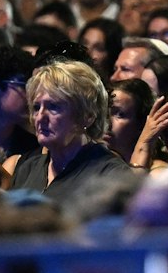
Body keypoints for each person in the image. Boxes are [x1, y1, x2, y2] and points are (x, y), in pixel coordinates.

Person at [8, 57, 133, 202]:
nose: (40, 117)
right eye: (36, 107)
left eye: (53, 107)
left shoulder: (110, 174)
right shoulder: (27, 169)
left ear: (87, 116)